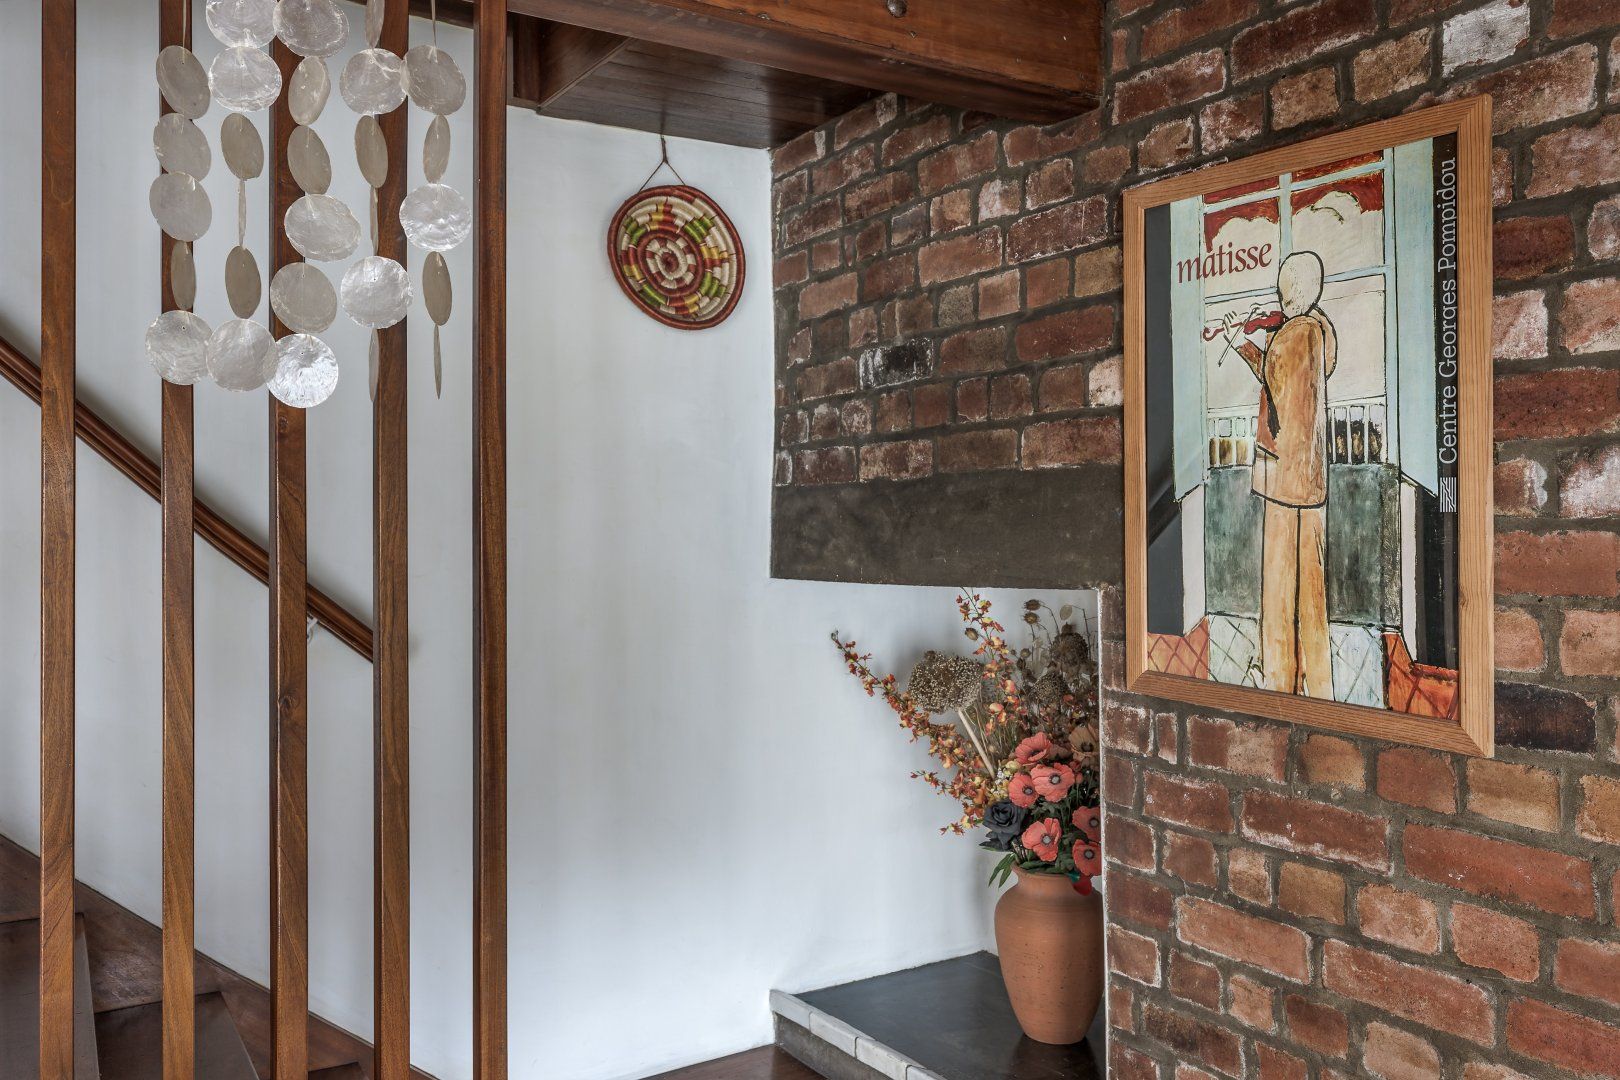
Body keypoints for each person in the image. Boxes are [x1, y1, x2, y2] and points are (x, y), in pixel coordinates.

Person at [1226, 252, 1337, 698]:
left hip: (1281, 479)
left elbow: (1271, 375)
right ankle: (1318, 680)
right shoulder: (1320, 333)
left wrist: (1241, 340)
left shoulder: (1293, 335)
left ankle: (1278, 677)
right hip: (1310, 479)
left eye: (1283, 285)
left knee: (1278, 587)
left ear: (1292, 290)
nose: (1279, 291)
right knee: (1312, 589)